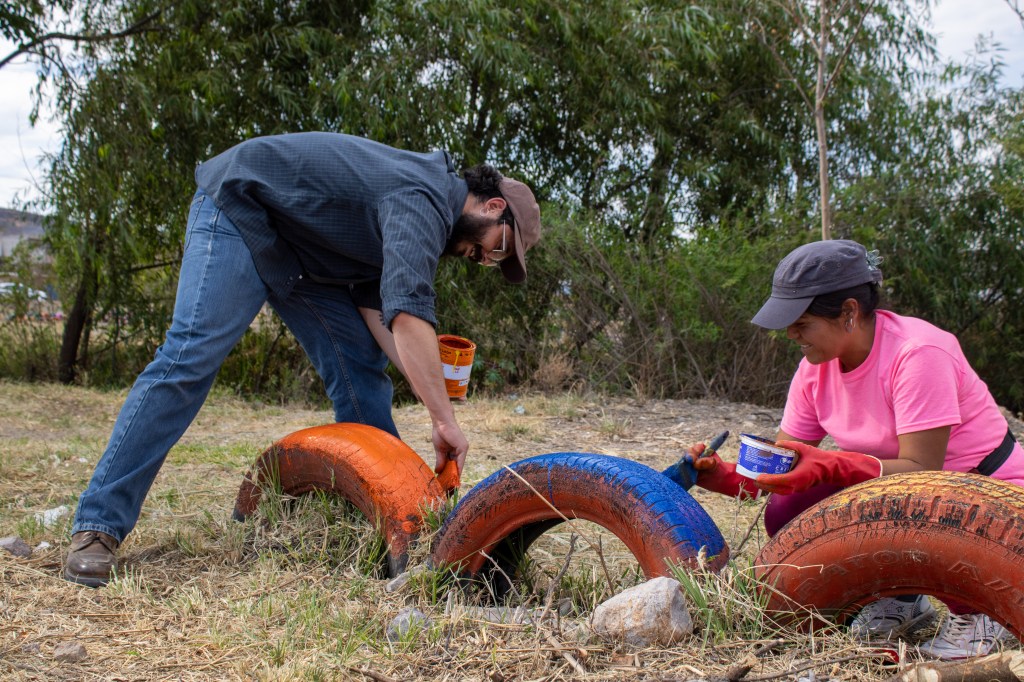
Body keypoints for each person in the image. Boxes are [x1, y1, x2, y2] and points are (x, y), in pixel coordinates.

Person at [64, 133, 542, 587]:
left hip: (302, 261)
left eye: (493, 262)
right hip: (241, 211)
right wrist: (444, 419)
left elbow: (380, 314)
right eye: (498, 248)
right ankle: (98, 525)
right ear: (492, 206)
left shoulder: (420, 213)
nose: (484, 259)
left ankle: (396, 527)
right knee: (190, 356)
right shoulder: (424, 195)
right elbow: (408, 313)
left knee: (360, 371)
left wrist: (429, 388)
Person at [681, 239, 1023, 660]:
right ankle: (901, 598)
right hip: (904, 494)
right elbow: (784, 470)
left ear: (848, 312)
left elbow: (925, 472)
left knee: (923, 511)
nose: (791, 334)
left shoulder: (918, 355)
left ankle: (981, 613)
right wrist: (724, 476)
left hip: (987, 498)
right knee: (789, 511)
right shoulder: (814, 371)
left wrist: (830, 466)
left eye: (801, 322)